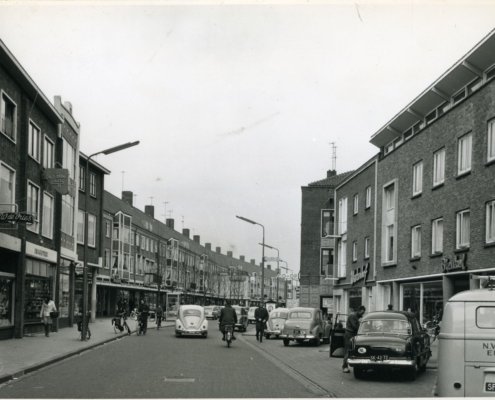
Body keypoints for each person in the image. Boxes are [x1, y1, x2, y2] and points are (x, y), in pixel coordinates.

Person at [342, 305, 366, 373]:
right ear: (359, 310)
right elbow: (355, 327)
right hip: (349, 334)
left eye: (363, 313)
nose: (362, 314)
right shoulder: (352, 316)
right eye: (362, 312)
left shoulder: (358, 316)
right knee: (348, 350)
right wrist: (360, 323)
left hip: (354, 335)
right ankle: (345, 366)